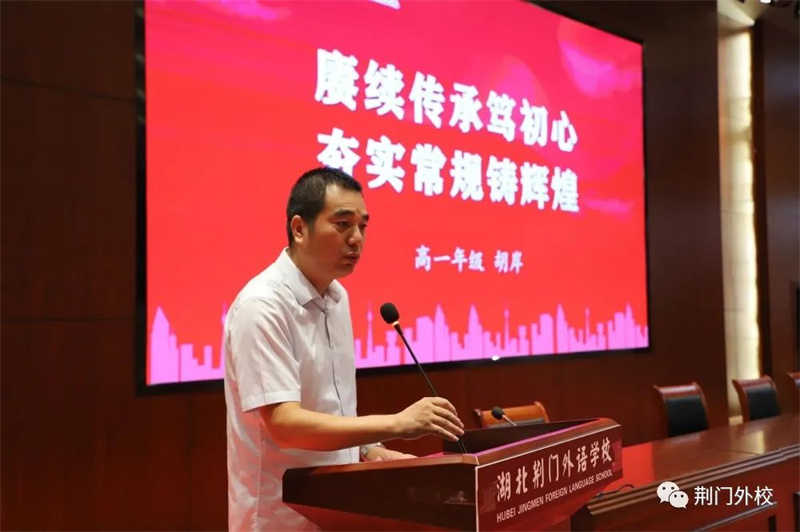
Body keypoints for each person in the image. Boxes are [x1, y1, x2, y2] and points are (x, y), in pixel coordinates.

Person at [223, 167, 465, 531]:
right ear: (299, 229)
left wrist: (364, 450)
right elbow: (284, 424)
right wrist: (398, 423)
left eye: (362, 226)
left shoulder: (337, 298)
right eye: (342, 225)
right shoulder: (262, 306)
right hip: (280, 518)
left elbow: (330, 406)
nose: (357, 239)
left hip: (338, 508)